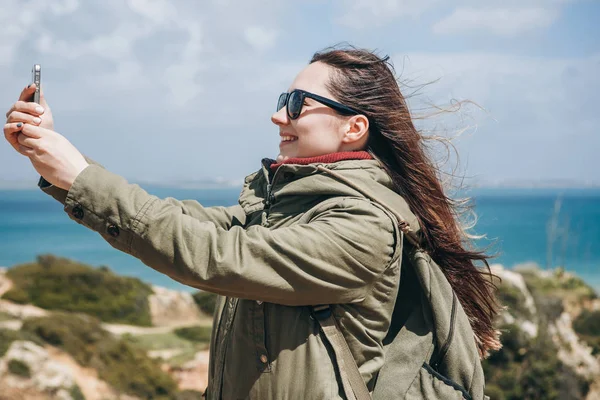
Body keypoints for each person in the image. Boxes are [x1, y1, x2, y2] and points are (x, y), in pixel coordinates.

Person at [4, 46, 500, 399]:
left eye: (296, 104)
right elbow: (186, 221)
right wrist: (66, 170)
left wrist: (82, 176)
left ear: (354, 127)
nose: (276, 116)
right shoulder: (285, 205)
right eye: (282, 100)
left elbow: (216, 256)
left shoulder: (364, 226)